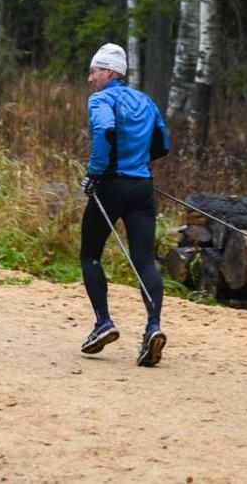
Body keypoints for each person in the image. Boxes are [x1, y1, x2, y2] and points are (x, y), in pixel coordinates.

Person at [79, 43, 170, 367]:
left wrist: (94, 174)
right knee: (145, 261)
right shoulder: (146, 101)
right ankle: (152, 328)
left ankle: (104, 322)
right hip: (143, 188)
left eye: (94, 71)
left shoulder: (101, 99)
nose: (90, 79)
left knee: (90, 254)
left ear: (109, 72)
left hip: (111, 186)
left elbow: (104, 130)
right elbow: (163, 143)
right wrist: (139, 164)